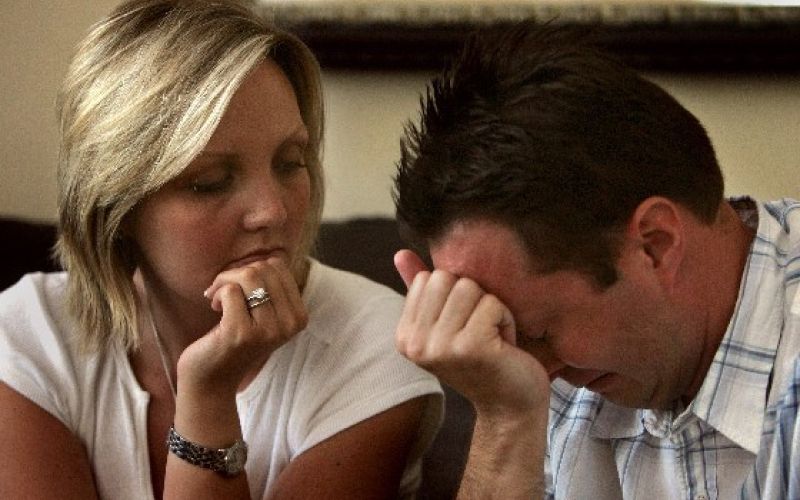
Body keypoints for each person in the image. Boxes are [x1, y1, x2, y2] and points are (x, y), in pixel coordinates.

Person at [0, 1, 442, 498]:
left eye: (290, 162)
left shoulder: (376, 345)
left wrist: (208, 396)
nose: (271, 211)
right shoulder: (28, 336)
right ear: (116, 207)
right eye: (209, 182)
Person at [392, 25, 799, 499]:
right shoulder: (540, 377)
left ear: (655, 245)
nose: (531, 368)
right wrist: (504, 420)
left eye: (539, 333)